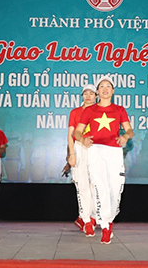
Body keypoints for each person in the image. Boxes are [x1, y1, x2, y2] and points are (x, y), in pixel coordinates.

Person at [74, 76, 135, 245]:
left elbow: (130, 131)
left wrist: (125, 137)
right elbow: (77, 132)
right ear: (98, 91)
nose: (105, 89)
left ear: (113, 91)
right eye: (102, 86)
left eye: (108, 86)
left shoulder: (119, 110)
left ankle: (109, 217)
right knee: (99, 186)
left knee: (115, 189)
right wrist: (83, 139)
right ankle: (105, 226)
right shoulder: (89, 110)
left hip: (114, 151)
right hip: (95, 150)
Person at [66, 84, 98, 236]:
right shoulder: (75, 112)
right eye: (85, 93)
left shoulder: (100, 112)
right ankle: (86, 221)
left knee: (95, 185)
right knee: (82, 185)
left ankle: (92, 216)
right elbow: (70, 134)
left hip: (96, 149)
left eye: (91, 93)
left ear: (96, 96)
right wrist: (72, 154)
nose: (88, 96)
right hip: (80, 147)